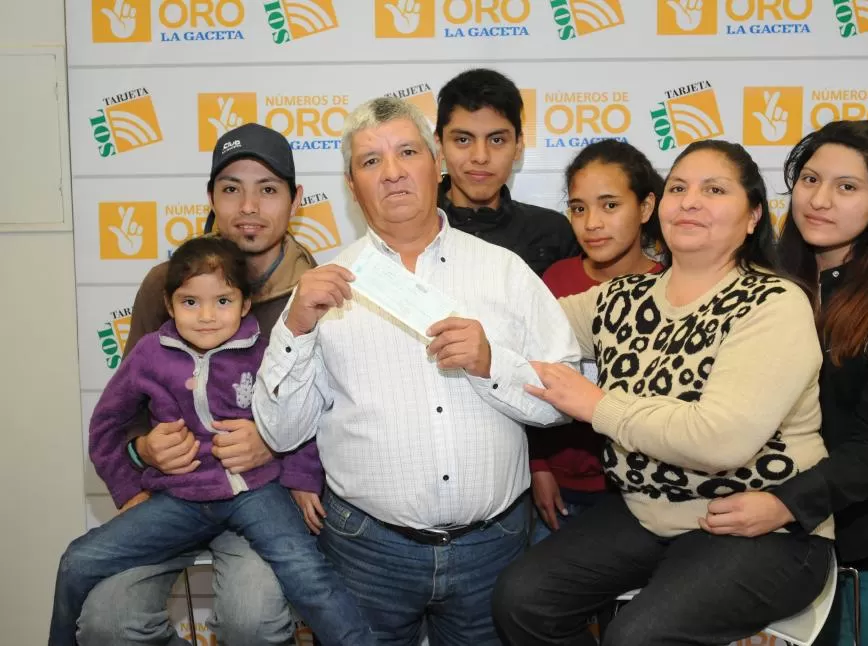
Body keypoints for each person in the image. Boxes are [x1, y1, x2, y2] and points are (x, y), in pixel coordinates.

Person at [251, 96, 581, 646]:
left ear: (438, 167)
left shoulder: (504, 272)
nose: (393, 172)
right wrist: (298, 327)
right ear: (353, 187)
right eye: (370, 161)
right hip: (366, 548)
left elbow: (563, 398)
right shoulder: (324, 288)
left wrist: (491, 362)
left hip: (493, 545)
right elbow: (281, 431)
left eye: (407, 152)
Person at [492, 140, 835, 646]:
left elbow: (719, 439)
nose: (690, 201)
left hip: (763, 528)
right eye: (678, 188)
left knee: (637, 637)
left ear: (753, 217)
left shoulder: (773, 303)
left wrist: (597, 404)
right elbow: (524, 327)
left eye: (713, 189)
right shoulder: (621, 297)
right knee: (522, 600)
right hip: (648, 512)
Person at [50, 237, 375, 646]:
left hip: (256, 493)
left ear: (244, 305)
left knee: (306, 572)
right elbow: (106, 423)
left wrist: (302, 477)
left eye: (222, 301)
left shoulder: (266, 349)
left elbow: (303, 411)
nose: (206, 316)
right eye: (190, 303)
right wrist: (128, 485)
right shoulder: (151, 353)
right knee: (77, 561)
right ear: (169, 305)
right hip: (178, 499)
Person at [701, 120, 868, 646]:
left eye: (847, 187)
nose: (819, 200)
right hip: (781, 546)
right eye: (811, 179)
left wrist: (785, 504)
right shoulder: (763, 282)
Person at [77, 123, 323, 646]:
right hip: (174, 494)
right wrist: (143, 449)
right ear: (211, 197)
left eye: (268, 189)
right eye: (231, 188)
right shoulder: (167, 284)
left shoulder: (315, 290)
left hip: (261, 498)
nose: (249, 206)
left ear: (295, 199)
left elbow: (335, 411)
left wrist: (274, 437)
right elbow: (128, 407)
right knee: (107, 621)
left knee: (252, 621)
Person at [529, 140, 665, 543]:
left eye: (609, 205)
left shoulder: (671, 287)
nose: (591, 223)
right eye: (578, 208)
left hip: (643, 492)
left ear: (644, 207)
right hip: (560, 485)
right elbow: (532, 377)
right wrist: (539, 467)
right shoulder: (555, 280)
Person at [435, 68, 580, 276]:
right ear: (439, 145)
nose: (481, 157)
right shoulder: (411, 227)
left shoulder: (553, 232)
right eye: (463, 140)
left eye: (496, 140)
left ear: (518, 145)